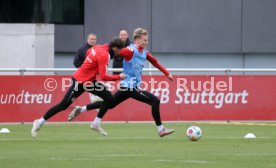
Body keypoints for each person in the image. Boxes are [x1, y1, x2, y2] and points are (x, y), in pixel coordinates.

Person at [68, 28, 174, 137]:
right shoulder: (129, 51)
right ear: (137, 40)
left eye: (147, 40)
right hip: (130, 87)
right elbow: (113, 50)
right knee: (155, 101)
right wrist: (97, 54)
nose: (146, 42)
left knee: (110, 103)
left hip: (126, 87)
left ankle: (83, 110)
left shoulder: (144, 53)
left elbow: (155, 62)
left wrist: (167, 73)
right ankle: (161, 129)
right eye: (144, 40)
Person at [31, 38, 126, 138]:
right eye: (120, 50)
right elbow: (103, 76)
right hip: (79, 81)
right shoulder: (105, 54)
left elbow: (89, 51)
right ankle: (39, 122)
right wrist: (118, 77)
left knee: (110, 100)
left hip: (89, 81)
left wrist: (90, 66)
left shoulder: (99, 47)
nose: (120, 53)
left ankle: (90, 118)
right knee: (63, 105)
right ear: (115, 48)